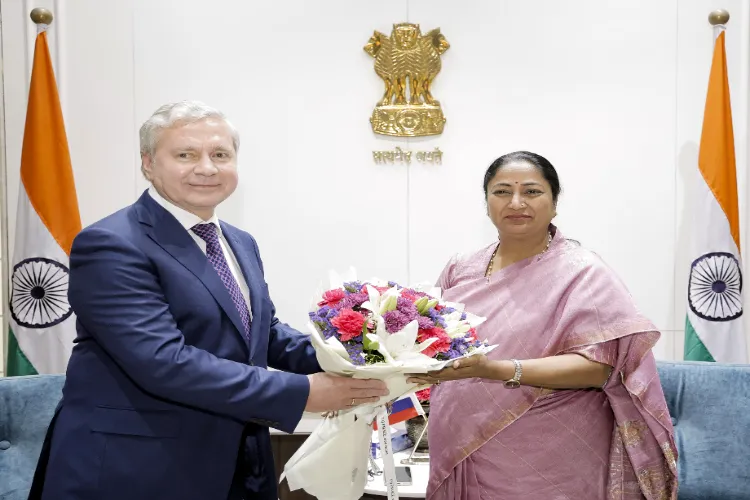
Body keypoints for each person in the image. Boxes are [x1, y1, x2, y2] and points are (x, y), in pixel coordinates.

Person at [28, 101, 387, 500]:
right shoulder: (112, 244)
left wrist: (370, 354)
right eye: (185, 155)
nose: (206, 167)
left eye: (220, 155)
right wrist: (302, 392)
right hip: (136, 469)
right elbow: (164, 361)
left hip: (235, 463)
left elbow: (262, 335)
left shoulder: (238, 241)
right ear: (148, 163)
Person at [407, 151, 677, 499]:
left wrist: (497, 370)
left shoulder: (582, 272)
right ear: (486, 202)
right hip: (460, 443)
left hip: (549, 450)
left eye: (532, 191)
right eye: (502, 191)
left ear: (554, 203)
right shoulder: (461, 268)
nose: (516, 202)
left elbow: (601, 369)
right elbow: (439, 340)